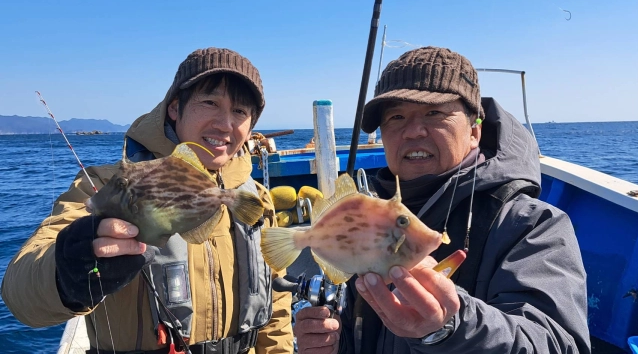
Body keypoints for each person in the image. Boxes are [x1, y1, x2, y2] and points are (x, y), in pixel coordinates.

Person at [293, 46, 590, 353]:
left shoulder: (532, 225)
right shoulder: (368, 218)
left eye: (434, 113)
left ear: (475, 131)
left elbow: (556, 343)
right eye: (396, 117)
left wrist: (452, 328)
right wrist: (331, 342)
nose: (413, 131)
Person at [2, 47, 294, 354]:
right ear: (175, 108)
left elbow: (276, 308)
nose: (225, 124)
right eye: (210, 102)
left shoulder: (254, 198)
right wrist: (66, 273)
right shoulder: (103, 183)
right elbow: (20, 295)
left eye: (240, 112)